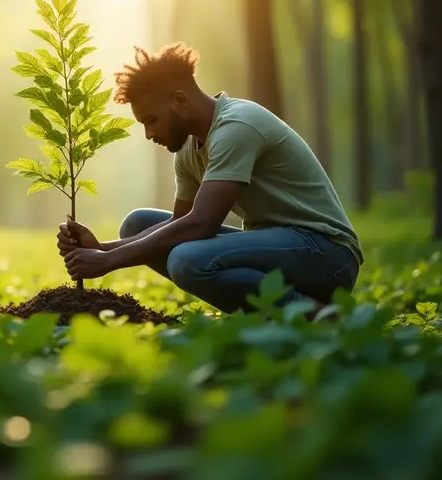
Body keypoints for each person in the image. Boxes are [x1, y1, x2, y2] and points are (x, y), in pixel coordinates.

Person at [57, 43, 363, 315]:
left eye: (151, 120)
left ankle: (321, 316)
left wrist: (109, 262)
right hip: (280, 248)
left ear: (179, 99)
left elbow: (201, 223)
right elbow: (182, 221)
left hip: (327, 255)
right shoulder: (189, 147)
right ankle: (290, 306)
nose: (149, 134)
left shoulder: (236, 126)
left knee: (186, 260)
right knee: (137, 225)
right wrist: (104, 248)